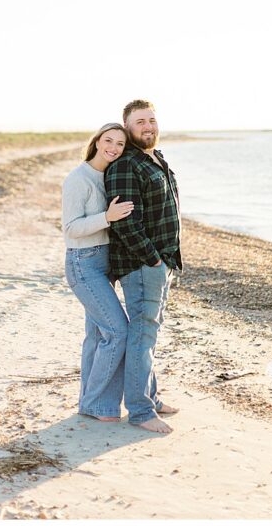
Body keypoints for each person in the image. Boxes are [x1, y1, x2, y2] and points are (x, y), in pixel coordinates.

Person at [106, 100, 182, 434]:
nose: (148, 126)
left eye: (152, 120)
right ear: (127, 127)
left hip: (160, 263)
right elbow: (126, 224)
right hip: (141, 265)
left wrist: (164, 261)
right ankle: (140, 411)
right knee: (142, 334)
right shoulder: (126, 165)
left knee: (148, 332)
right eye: (140, 121)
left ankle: (150, 395)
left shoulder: (156, 158)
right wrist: (152, 259)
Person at [61, 123, 135, 422]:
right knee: (118, 331)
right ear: (97, 142)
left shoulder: (110, 175)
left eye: (120, 143)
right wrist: (106, 217)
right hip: (83, 262)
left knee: (96, 335)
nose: (114, 148)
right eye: (108, 141)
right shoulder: (78, 179)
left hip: (104, 262)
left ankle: (90, 403)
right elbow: (71, 229)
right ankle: (96, 404)